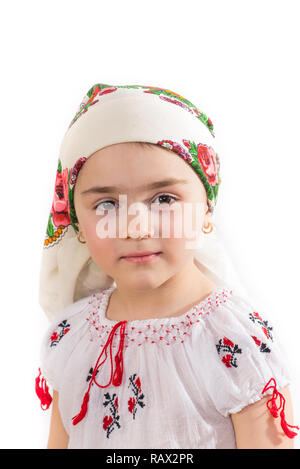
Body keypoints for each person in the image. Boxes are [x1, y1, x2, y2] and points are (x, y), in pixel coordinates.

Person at [36, 83, 298, 449]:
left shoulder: (234, 342)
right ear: (76, 221)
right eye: (107, 204)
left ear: (206, 209)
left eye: (164, 199)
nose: (135, 226)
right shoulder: (72, 335)